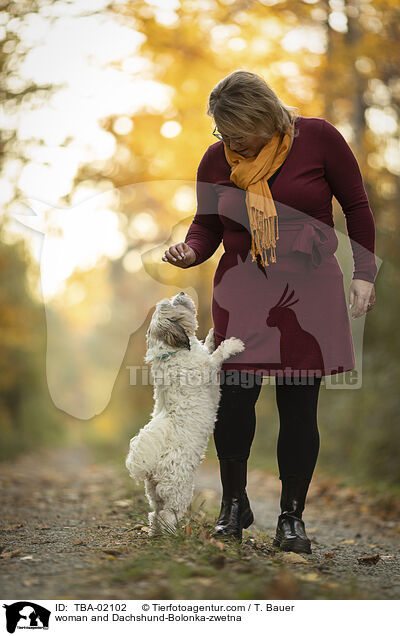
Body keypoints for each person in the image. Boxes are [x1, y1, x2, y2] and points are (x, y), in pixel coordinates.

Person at [161, 70, 377, 553]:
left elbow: (357, 207)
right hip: (243, 292)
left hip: (308, 292)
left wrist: (365, 274)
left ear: (265, 115)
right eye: (223, 132)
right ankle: (233, 505)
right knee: (234, 398)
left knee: (298, 404)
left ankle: (291, 517)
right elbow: (206, 225)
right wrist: (190, 252)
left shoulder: (318, 138)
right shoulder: (217, 159)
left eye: (237, 131)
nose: (229, 141)